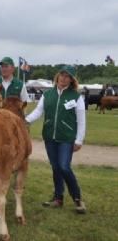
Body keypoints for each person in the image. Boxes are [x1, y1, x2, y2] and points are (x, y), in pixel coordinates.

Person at [26, 65, 87, 214]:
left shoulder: (76, 97)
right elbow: (37, 112)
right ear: (57, 76)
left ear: (72, 80)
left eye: (67, 76)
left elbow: (81, 121)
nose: (63, 78)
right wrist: (23, 120)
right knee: (56, 167)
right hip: (49, 137)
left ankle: (77, 198)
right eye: (62, 75)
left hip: (67, 138)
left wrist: (79, 140)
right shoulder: (48, 95)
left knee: (64, 166)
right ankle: (58, 198)